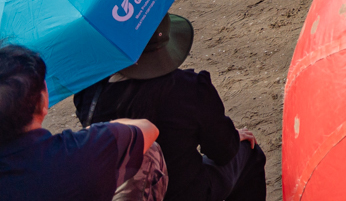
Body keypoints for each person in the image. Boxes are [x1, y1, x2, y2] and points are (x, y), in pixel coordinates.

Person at [73, 12, 267, 201]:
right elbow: (223, 151)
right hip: (184, 193)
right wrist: (232, 137)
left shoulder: (90, 91)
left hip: (120, 193)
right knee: (249, 153)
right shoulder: (189, 87)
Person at [0, 42, 168, 201]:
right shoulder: (76, 155)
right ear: (42, 101)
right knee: (149, 152)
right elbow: (147, 128)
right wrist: (92, 133)